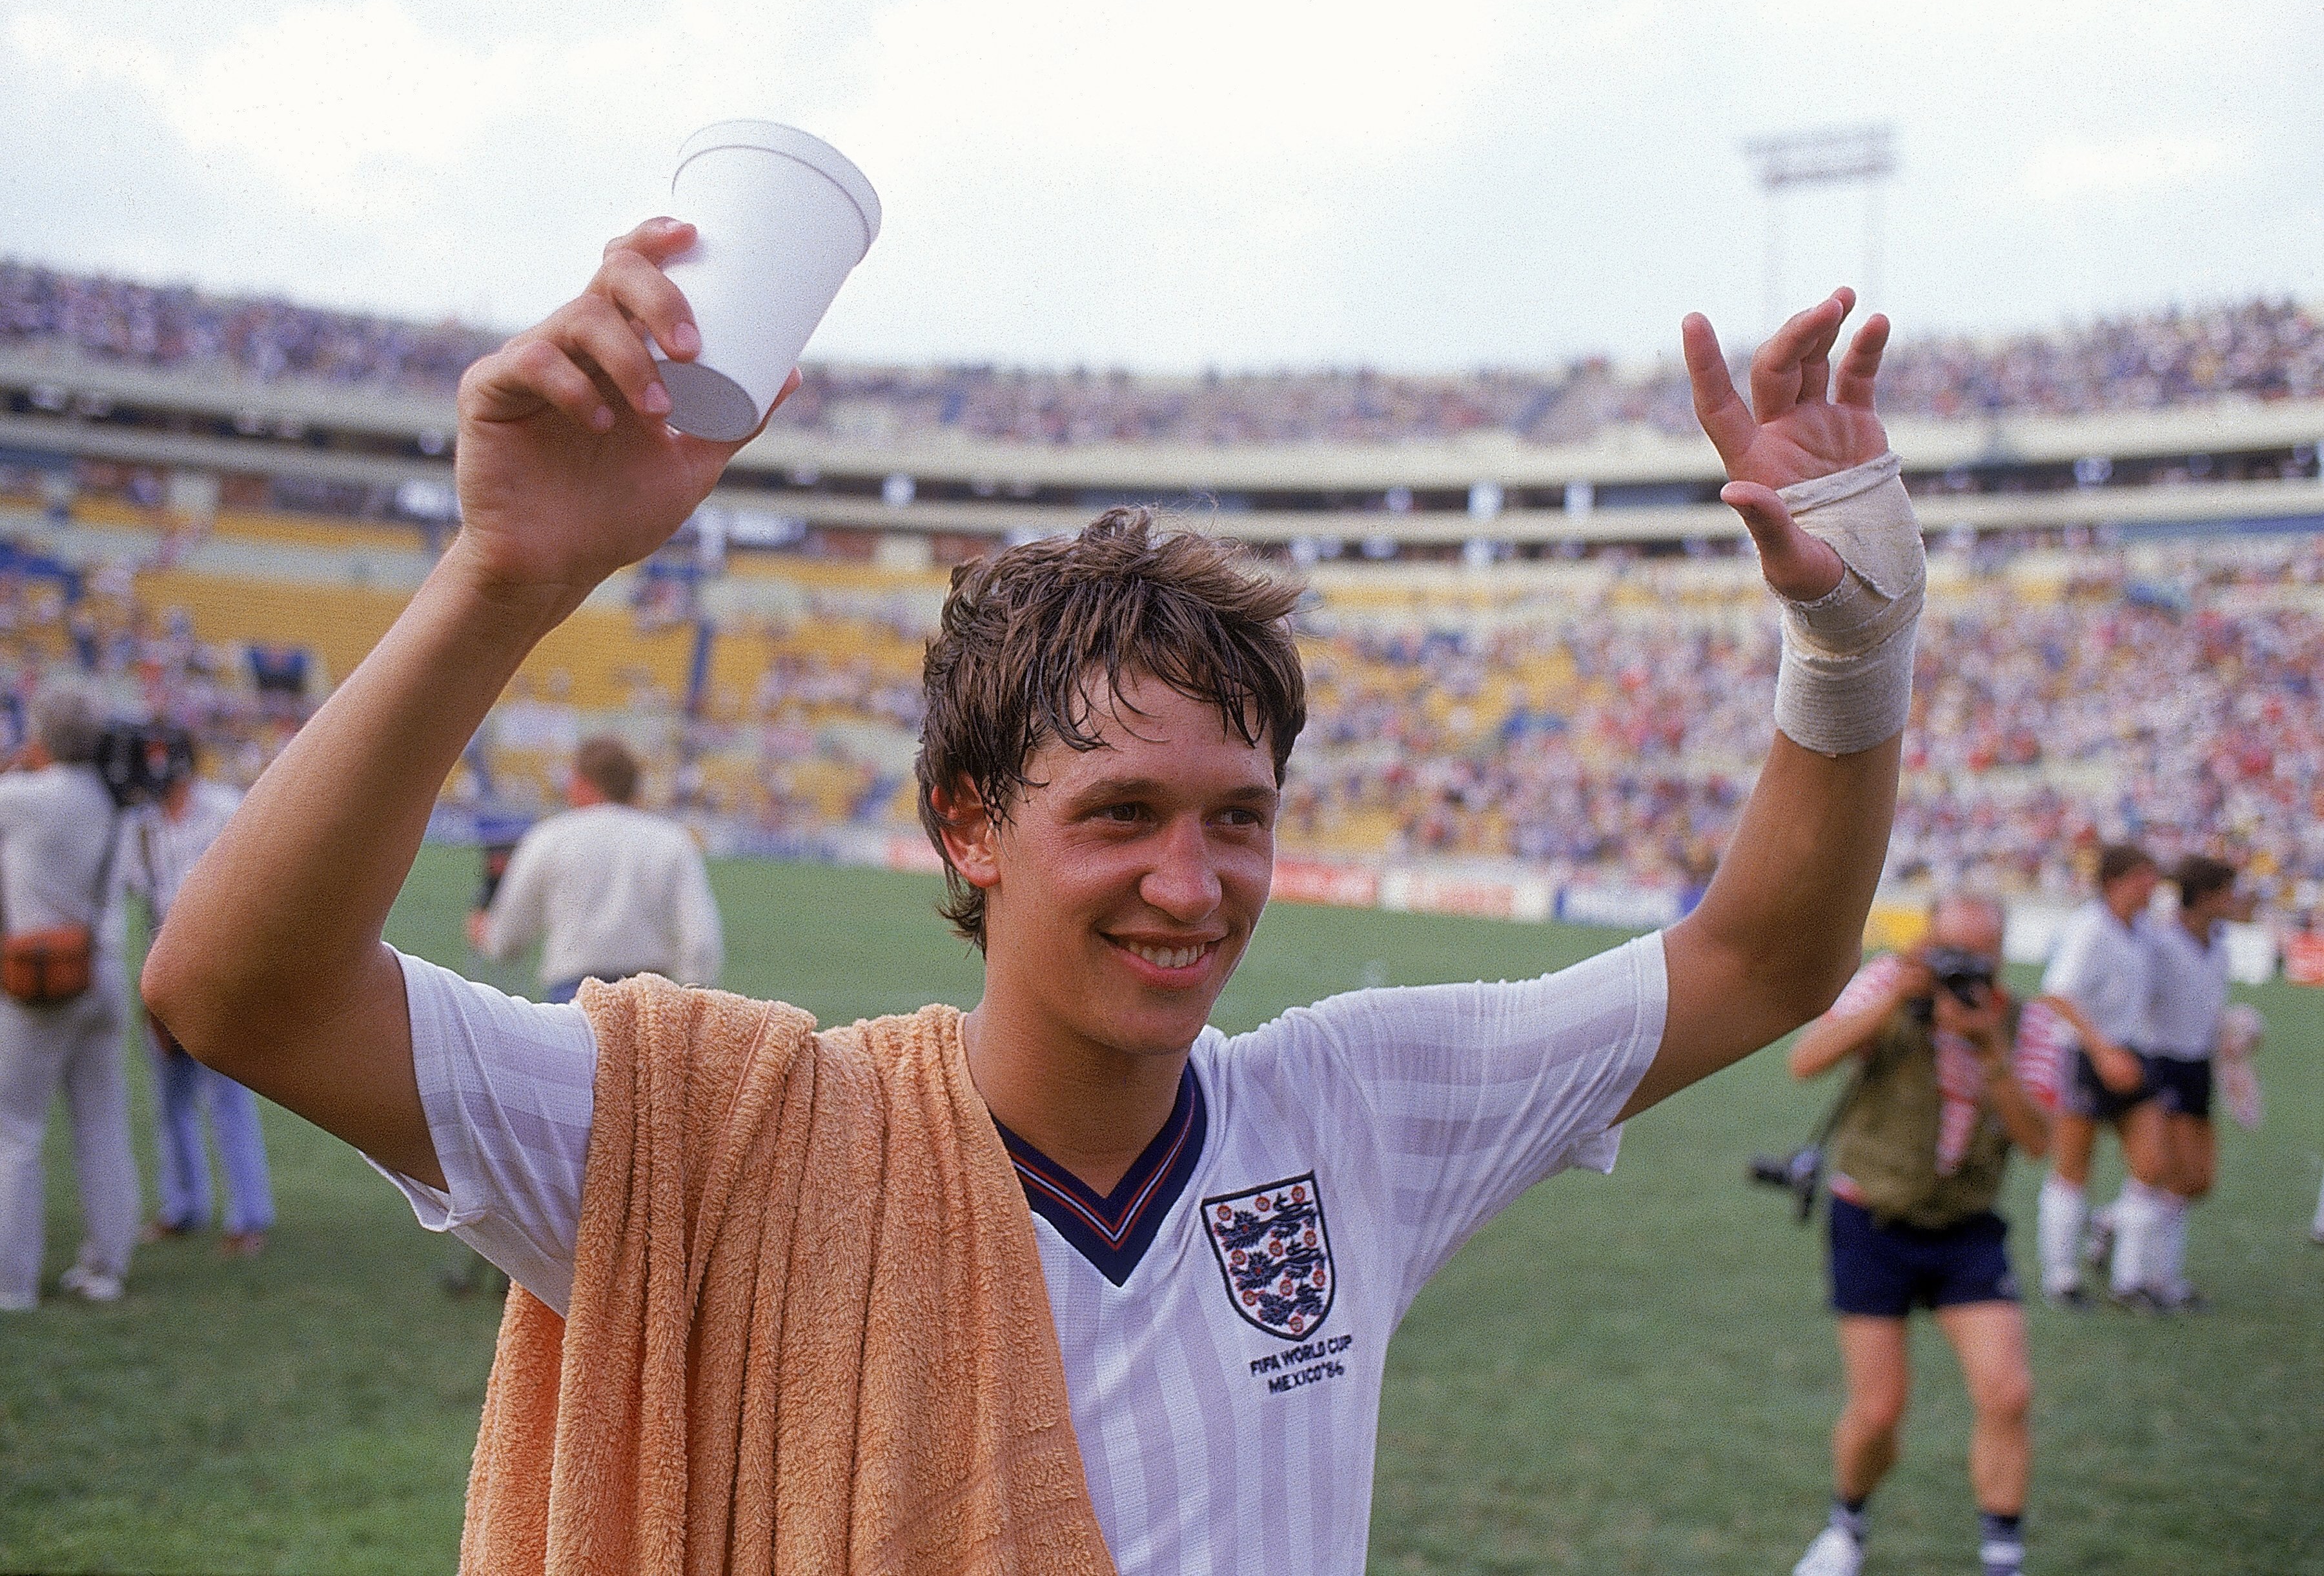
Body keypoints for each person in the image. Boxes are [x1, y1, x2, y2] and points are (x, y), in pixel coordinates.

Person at [143, 220, 1923, 1571]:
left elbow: (1765, 956)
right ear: (967, 823)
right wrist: (504, 575)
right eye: (1122, 808)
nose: (1189, 880)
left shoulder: (1354, 1107)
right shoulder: (730, 1144)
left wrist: (1853, 644)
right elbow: (243, 990)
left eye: (1240, 814)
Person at [1783, 897, 2061, 1576]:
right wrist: (1894, 999)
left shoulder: (2028, 1024)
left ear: (2000, 957)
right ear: (1927, 943)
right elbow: (1806, 1060)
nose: (1961, 970)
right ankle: (1846, 1523)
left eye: (1978, 958)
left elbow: (2036, 1140)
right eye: (1949, 953)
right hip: (1872, 1218)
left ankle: (2003, 1553)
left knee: (2008, 1392)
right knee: (1878, 1411)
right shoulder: (1889, 985)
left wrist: (1989, 1049)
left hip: (1966, 1226)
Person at [0, 682, 138, 1308]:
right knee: (103, 1124)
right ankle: (107, 1266)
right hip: (103, 970)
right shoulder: (112, 800)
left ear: (42, 736)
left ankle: (13, 1282)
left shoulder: (25, 797)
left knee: (16, 1133)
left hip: (40, 977)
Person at [123, 726, 275, 1257]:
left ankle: (248, 1215)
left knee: (229, 1099)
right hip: (165, 964)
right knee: (172, 1099)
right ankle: (182, 1205)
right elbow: (141, 896)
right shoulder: (141, 825)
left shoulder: (224, 808)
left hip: (220, 966)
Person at [464, 733, 722, 1002]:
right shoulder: (672, 841)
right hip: (647, 999)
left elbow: (508, 938)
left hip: (574, 995)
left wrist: (486, 933)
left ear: (583, 783)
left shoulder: (550, 837)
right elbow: (701, 943)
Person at [2093, 854, 2238, 1309]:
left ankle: (2114, 1223)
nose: (2238, 899)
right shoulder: (2159, 940)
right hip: (2163, 1061)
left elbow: (2209, 1009)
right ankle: (2147, 1277)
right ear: (2208, 895)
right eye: (2230, 890)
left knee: (2196, 1179)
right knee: (2159, 1170)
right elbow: (2132, 993)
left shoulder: (2219, 943)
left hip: (2197, 1065)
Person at [2034, 843, 2173, 1308]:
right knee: (2073, 1167)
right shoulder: (2089, 927)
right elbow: (2056, 993)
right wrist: (2102, 1049)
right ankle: (2061, 1276)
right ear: (2113, 881)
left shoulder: (2145, 931)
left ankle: (2127, 1276)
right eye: (2141, 875)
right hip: (2084, 1054)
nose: (2150, 885)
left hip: (2131, 1053)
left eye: (2153, 875)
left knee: (2152, 1164)